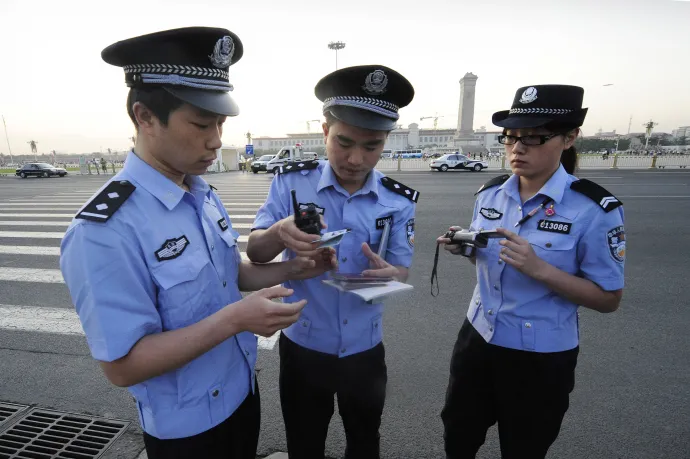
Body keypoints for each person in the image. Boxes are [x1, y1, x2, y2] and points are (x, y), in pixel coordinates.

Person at [59, 27, 335, 459]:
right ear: (144, 117)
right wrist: (236, 321)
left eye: (221, 123)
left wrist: (297, 268)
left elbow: (231, 274)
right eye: (202, 124)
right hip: (187, 430)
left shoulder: (201, 193)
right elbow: (122, 365)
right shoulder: (105, 229)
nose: (216, 140)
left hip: (241, 391)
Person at [437, 85, 626, 459]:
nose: (517, 149)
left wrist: (540, 269)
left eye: (535, 138)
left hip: (539, 356)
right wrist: (467, 250)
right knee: (458, 436)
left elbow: (608, 299)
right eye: (511, 137)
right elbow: (491, 259)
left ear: (570, 138)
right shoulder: (490, 194)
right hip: (478, 338)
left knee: (524, 446)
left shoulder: (595, 209)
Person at [246, 65, 418, 459]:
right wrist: (278, 233)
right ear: (325, 132)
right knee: (304, 444)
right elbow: (256, 253)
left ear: (387, 141)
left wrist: (390, 276)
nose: (356, 159)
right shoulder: (290, 182)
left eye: (372, 146)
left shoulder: (399, 201)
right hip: (304, 344)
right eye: (343, 142)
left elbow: (401, 269)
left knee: (364, 441)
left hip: (365, 348)